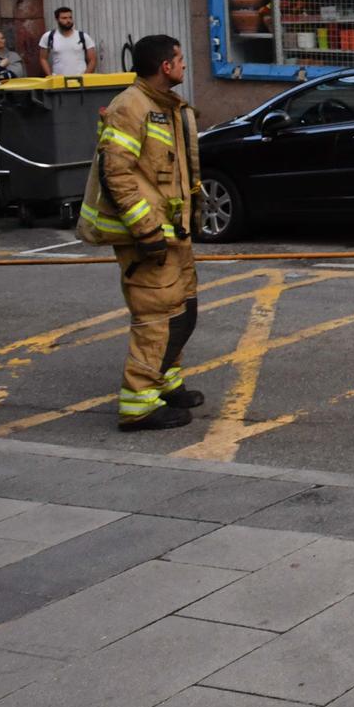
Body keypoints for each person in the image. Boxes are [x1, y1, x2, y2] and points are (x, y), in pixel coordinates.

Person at [75, 34, 204, 431]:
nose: (184, 65)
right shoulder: (131, 107)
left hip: (173, 233)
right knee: (155, 316)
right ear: (166, 66)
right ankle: (139, 404)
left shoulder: (166, 106)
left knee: (183, 310)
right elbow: (118, 173)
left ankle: (166, 381)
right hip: (147, 237)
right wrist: (146, 229)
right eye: (180, 59)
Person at [39, 7, 97, 77]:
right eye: (64, 18)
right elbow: (43, 58)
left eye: (70, 17)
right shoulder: (48, 37)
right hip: (59, 82)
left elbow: (92, 59)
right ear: (57, 19)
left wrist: (85, 77)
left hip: (80, 81)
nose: (68, 20)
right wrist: (50, 76)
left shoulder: (83, 36)